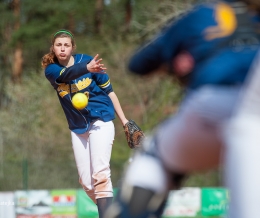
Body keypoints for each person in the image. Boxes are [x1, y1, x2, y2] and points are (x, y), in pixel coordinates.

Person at [105, 0, 260, 218]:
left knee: (154, 157)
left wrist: (174, 62)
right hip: (248, 113)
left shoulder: (202, 13)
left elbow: (139, 63)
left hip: (214, 106)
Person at [41, 29, 129, 218]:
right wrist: (87, 68)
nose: (63, 48)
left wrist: (125, 121)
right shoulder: (51, 69)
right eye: (59, 45)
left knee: (101, 175)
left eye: (66, 45)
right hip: (78, 127)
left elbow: (110, 92)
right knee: (87, 184)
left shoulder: (88, 60)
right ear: (53, 48)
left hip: (101, 120)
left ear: (73, 47)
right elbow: (67, 75)